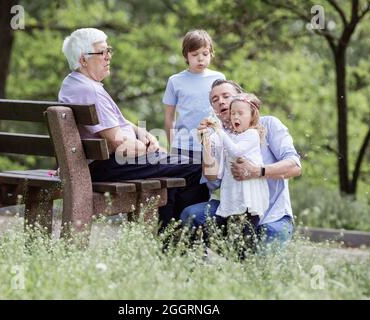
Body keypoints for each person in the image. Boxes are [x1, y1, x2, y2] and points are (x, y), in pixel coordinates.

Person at [58, 28, 209, 232]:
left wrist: (141, 133)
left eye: (108, 50)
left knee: (172, 170)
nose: (108, 56)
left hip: (95, 163)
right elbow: (119, 145)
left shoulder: (73, 83)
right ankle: (181, 240)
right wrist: (150, 148)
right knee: (197, 169)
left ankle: (171, 240)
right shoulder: (90, 90)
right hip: (109, 164)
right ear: (83, 60)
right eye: (102, 52)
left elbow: (117, 123)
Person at [180, 79, 302, 248]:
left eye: (226, 96)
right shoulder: (219, 136)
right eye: (215, 100)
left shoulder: (268, 125)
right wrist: (206, 143)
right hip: (234, 210)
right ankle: (230, 257)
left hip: (273, 216)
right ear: (214, 110)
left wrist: (257, 171)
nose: (221, 101)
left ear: (242, 99)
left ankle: (245, 255)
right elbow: (212, 178)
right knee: (192, 215)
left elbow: (295, 166)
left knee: (261, 258)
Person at [163, 29, 225, 163]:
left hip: (211, 144)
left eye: (205, 53)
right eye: (195, 54)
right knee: (182, 183)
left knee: (209, 182)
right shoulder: (175, 81)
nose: (200, 58)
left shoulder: (219, 78)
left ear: (211, 54)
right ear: (186, 56)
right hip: (183, 146)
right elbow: (169, 117)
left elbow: (224, 112)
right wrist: (172, 145)